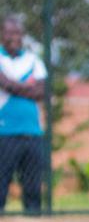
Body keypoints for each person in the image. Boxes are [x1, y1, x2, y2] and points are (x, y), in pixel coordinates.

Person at [0, 17, 45, 213]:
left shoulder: (33, 60)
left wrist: (14, 86)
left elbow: (41, 91)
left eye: (17, 33)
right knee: (2, 184)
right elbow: (4, 84)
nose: (14, 37)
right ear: (2, 35)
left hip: (32, 132)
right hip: (5, 132)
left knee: (33, 187)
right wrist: (28, 86)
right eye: (9, 33)